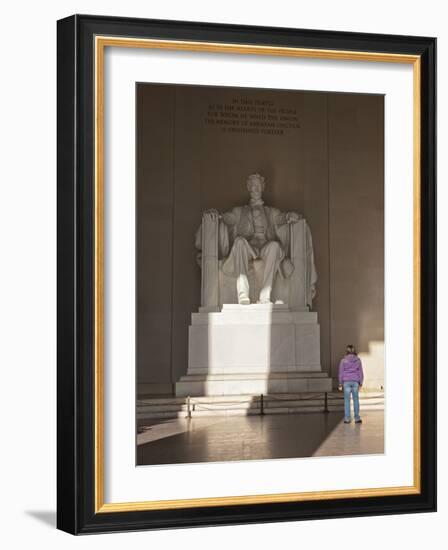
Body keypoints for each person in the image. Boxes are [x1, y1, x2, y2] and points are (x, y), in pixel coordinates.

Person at [199, 173, 316, 305]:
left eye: (258, 185)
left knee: (275, 246)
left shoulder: (271, 212)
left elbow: (281, 218)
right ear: (249, 188)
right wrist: (216, 214)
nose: (255, 188)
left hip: (265, 246)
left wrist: (290, 216)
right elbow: (227, 218)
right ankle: (242, 293)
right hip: (249, 247)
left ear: (262, 187)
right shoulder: (239, 211)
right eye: (253, 186)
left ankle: (265, 295)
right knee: (239, 242)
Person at [338, 345, 364, 424]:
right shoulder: (358, 360)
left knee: (347, 401)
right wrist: (361, 383)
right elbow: (361, 372)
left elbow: (341, 373)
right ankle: (357, 418)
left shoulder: (343, 361)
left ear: (347, 351)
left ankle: (347, 419)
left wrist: (340, 383)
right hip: (355, 382)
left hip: (346, 382)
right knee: (356, 400)